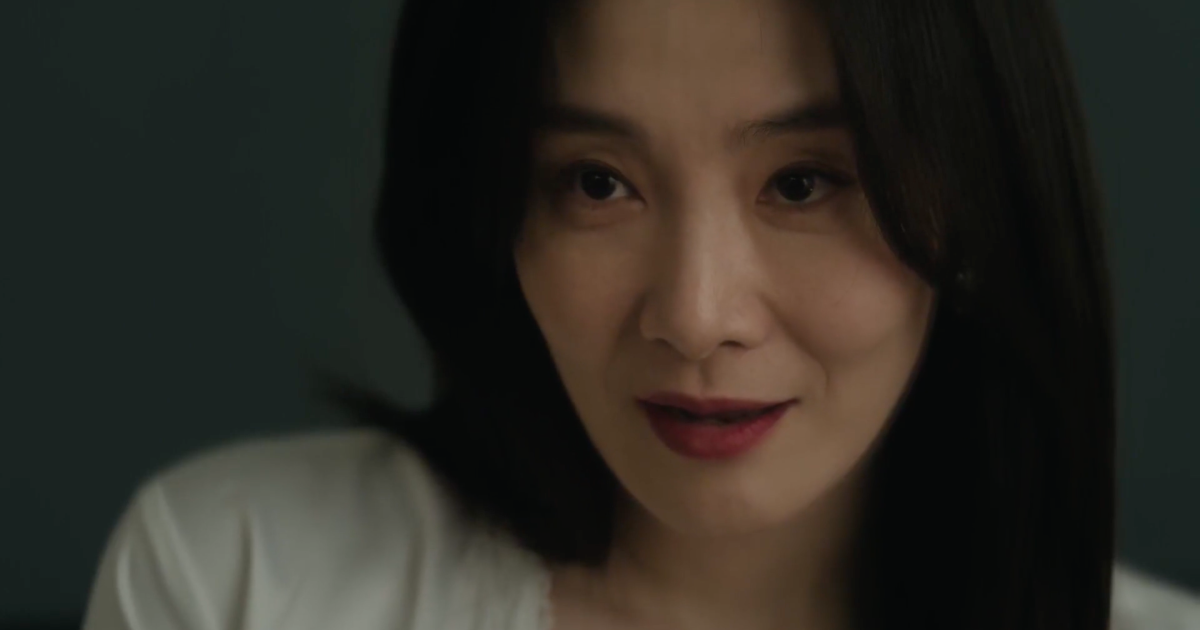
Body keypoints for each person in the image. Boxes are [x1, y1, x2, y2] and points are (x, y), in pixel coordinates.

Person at [82, 0, 1200, 629]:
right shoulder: (240, 581)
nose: (697, 316)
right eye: (596, 183)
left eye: (803, 183)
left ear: (980, 200)